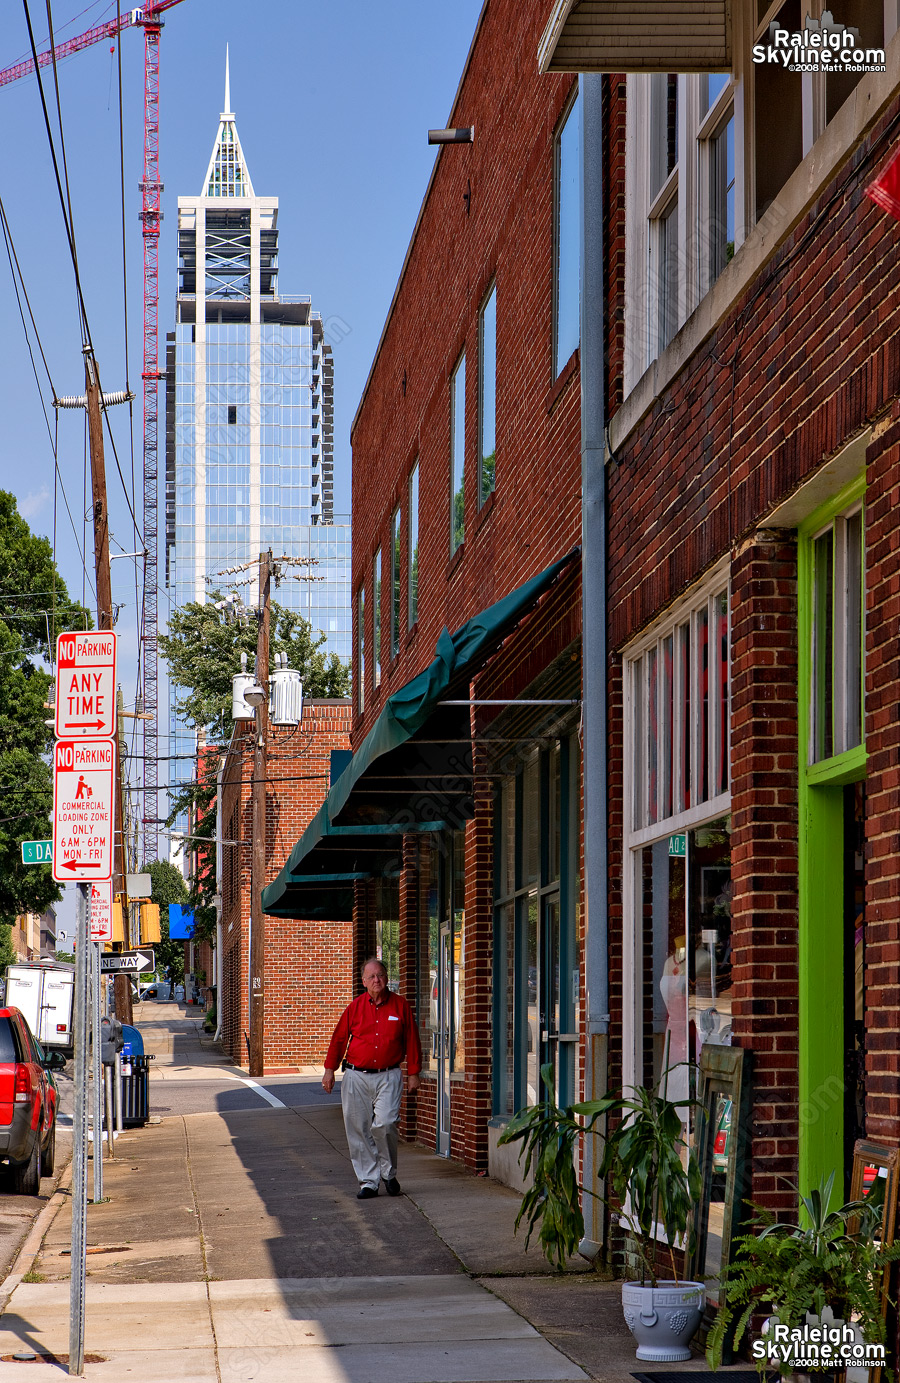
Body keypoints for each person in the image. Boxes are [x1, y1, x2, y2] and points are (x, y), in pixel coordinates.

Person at [322, 957, 421, 1199]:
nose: (377, 980)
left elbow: (412, 1040)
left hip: (389, 1075)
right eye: (372, 977)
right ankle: (369, 1181)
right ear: (364, 981)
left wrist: (414, 1073)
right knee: (358, 1129)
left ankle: (388, 1173)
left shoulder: (400, 1006)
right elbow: (338, 1040)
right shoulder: (354, 1007)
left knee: (386, 1123)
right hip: (356, 1075)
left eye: (381, 975)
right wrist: (329, 1070)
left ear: (387, 978)